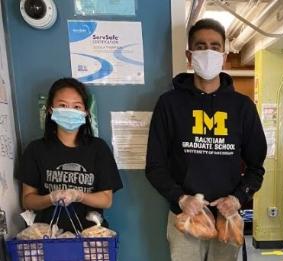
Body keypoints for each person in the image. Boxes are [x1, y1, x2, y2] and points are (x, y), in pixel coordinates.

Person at [145, 18, 267, 261]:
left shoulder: (242, 107)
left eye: (214, 46)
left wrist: (238, 198)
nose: (208, 52)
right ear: (190, 56)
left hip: (227, 218)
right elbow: (155, 166)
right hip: (185, 217)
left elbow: (256, 168)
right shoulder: (169, 104)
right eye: (200, 47)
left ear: (223, 55)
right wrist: (180, 198)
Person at [17, 78, 123, 232]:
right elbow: (27, 200)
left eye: (77, 106)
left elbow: (106, 200)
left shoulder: (98, 148)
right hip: (47, 237)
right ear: (50, 109)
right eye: (62, 105)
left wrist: (79, 196)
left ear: (85, 112)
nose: (70, 110)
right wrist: (51, 198)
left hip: (91, 238)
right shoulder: (36, 150)